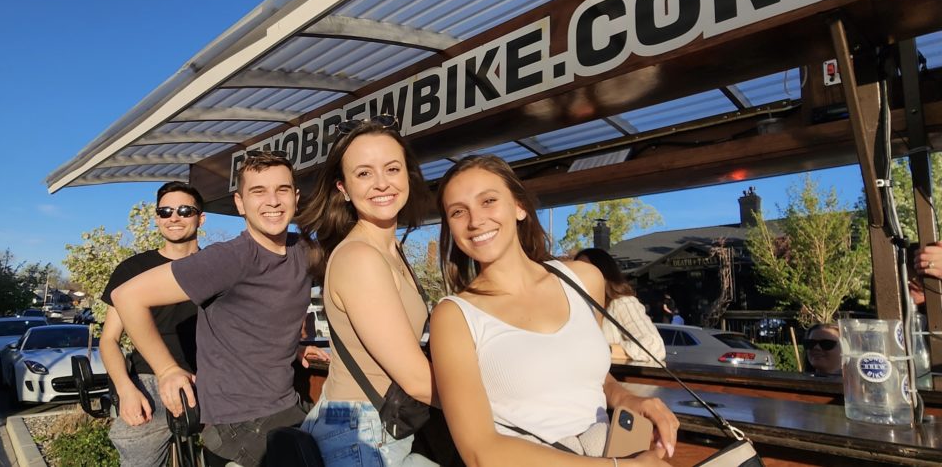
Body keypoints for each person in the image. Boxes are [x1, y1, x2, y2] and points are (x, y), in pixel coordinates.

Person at [430, 155, 677, 466]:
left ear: (519, 207)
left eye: (489, 200)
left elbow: (589, 376)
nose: (475, 220)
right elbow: (480, 452)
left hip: (607, 448)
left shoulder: (584, 280)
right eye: (458, 211)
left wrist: (628, 399)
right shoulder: (454, 316)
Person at [112, 152, 328, 467]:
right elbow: (127, 296)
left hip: (284, 404)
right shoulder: (229, 258)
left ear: (295, 197)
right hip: (238, 422)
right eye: (258, 191)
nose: (273, 201)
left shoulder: (304, 252)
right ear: (240, 203)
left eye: (282, 190)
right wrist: (167, 370)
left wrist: (294, 346)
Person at [296, 117, 437, 467]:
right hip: (360, 436)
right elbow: (417, 379)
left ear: (408, 175)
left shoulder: (390, 250)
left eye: (392, 168)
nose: (381, 183)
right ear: (342, 187)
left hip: (376, 426)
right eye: (363, 173)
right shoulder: (360, 256)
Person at [100, 181, 203, 467]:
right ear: (157, 218)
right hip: (149, 383)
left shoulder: (215, 265)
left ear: (200, 217)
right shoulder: (132, 269)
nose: (174, 217)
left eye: (185, 210)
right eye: (165, 211)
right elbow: (109, 340)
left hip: (208, 380)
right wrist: (126, 389)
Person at [574, 248, 665, 364]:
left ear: (604, 274)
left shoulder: (621, 303)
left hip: (617, 378)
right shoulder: (575, 308)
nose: (579, 276)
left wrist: (603, 351)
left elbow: (654, 346)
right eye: (576, 271)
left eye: (586, 270)